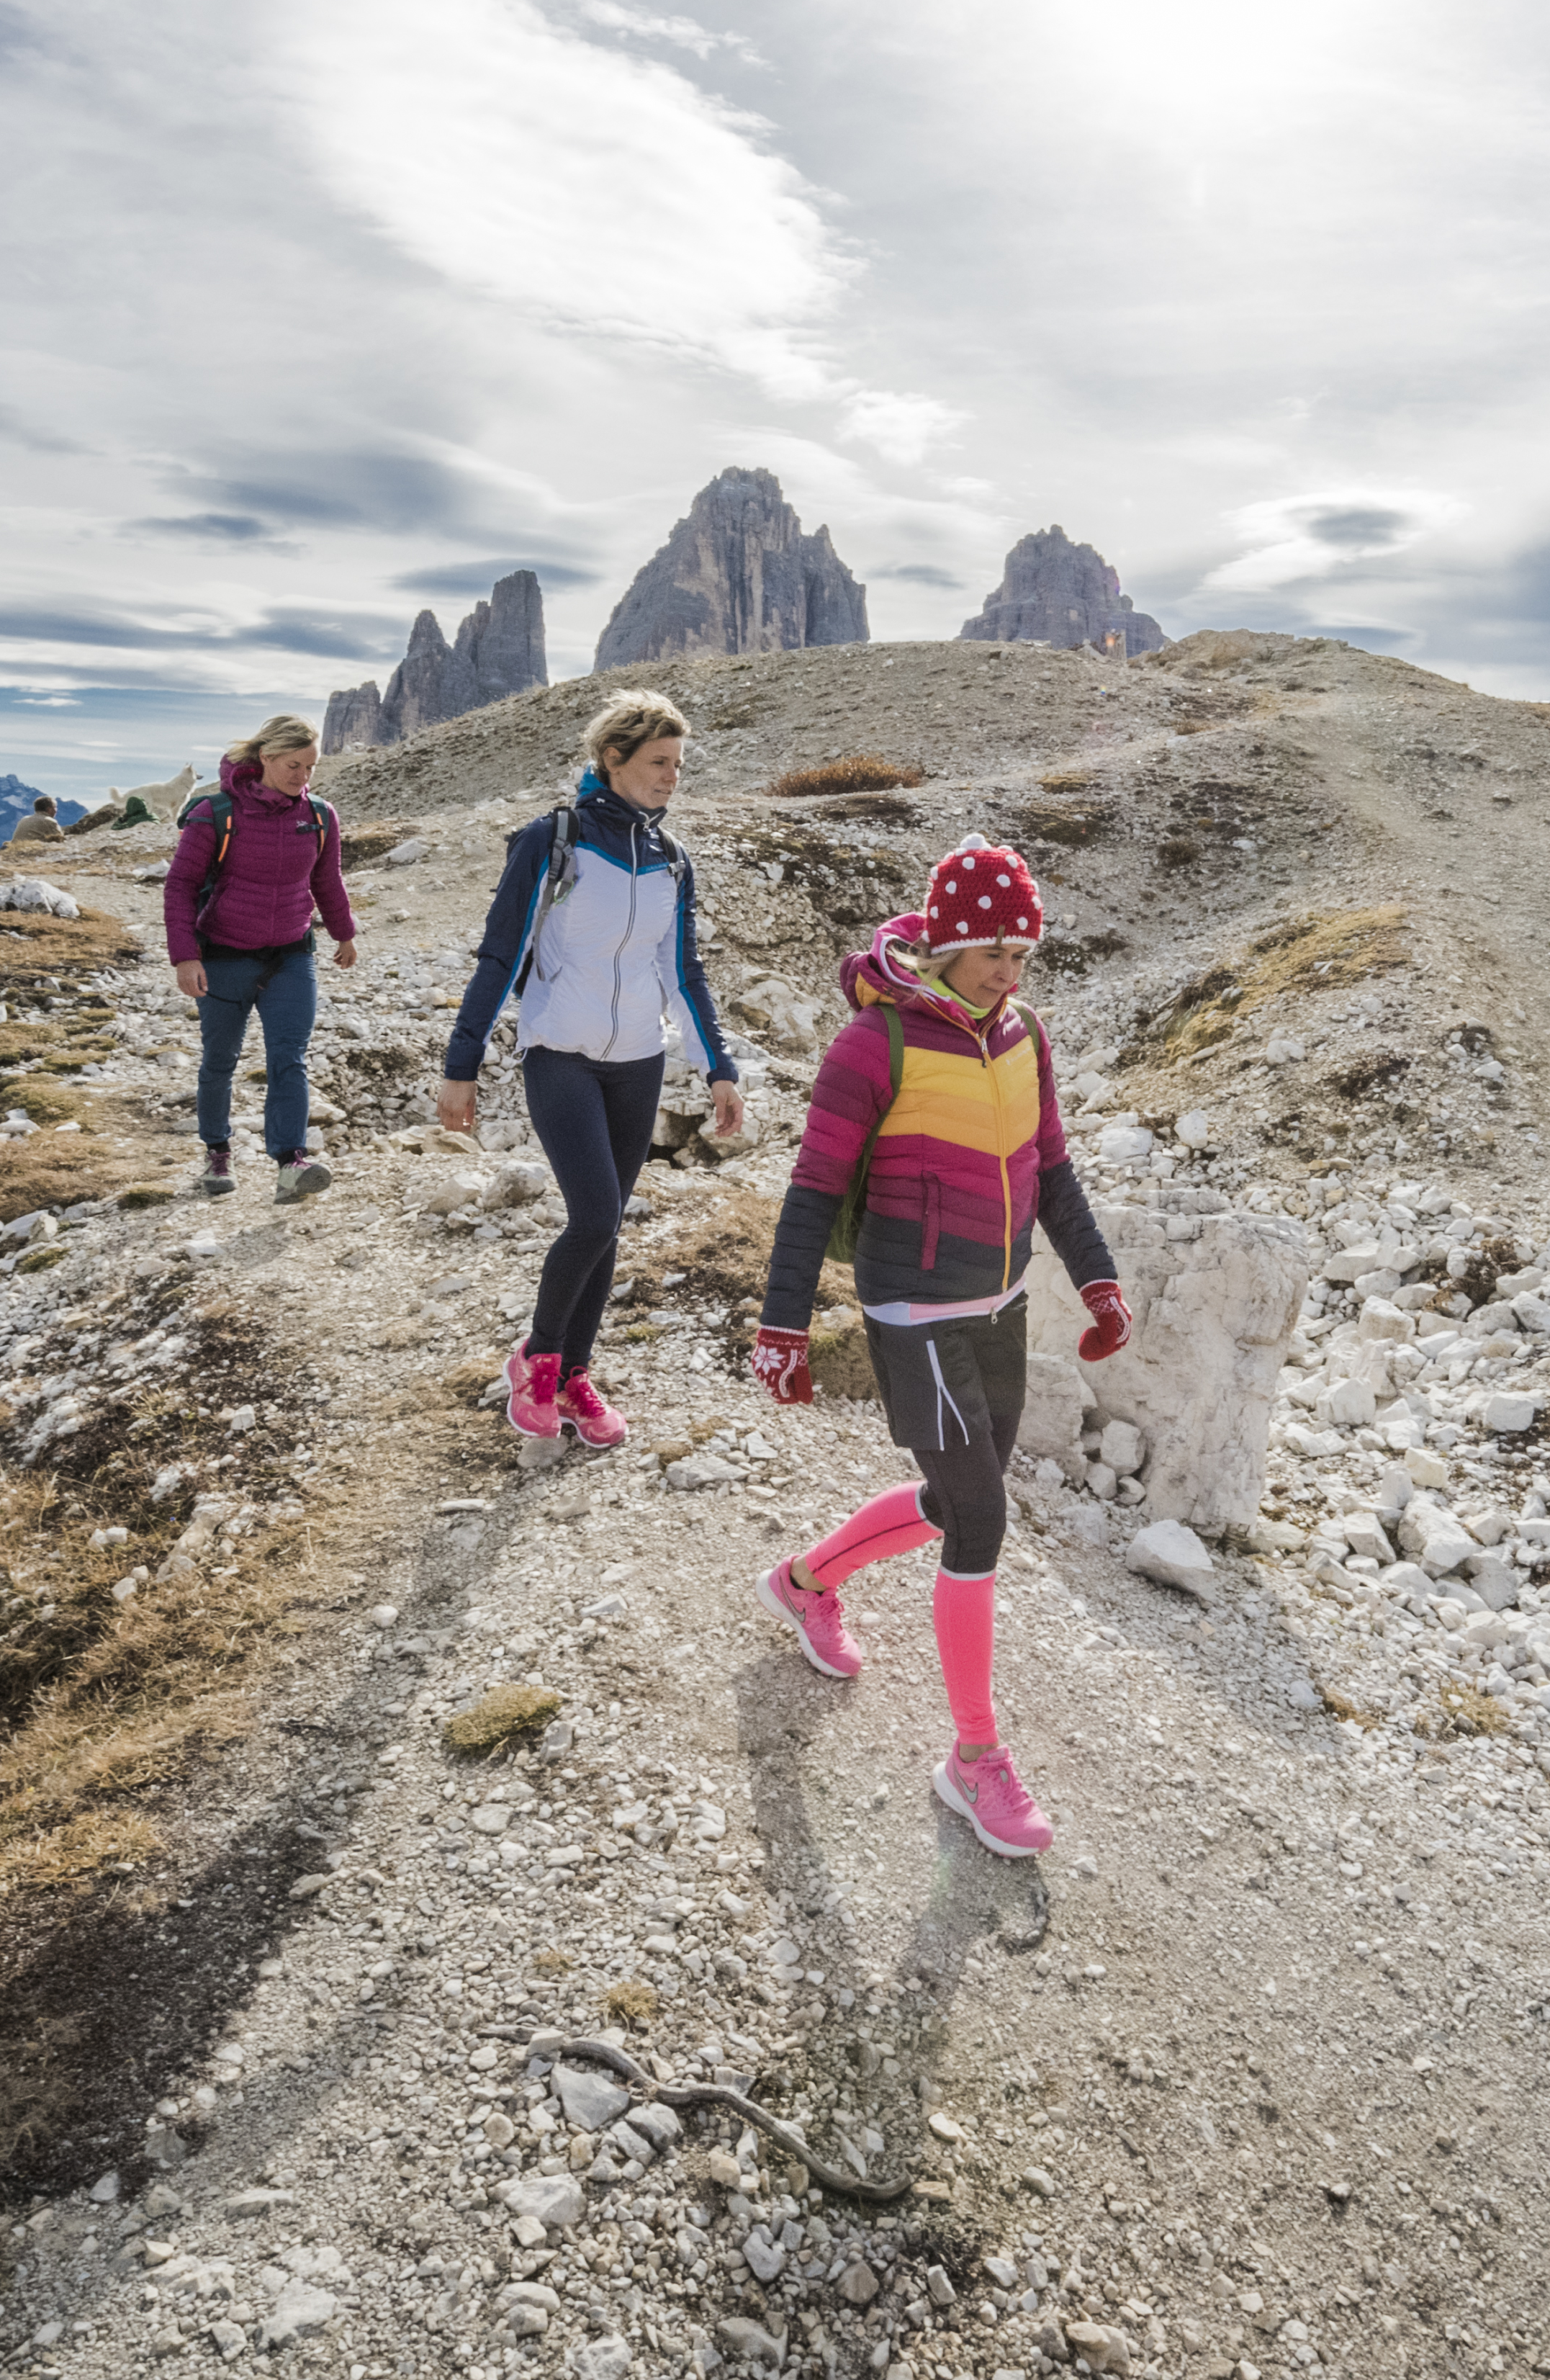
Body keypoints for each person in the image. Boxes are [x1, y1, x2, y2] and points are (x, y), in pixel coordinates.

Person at [745, 840, 1130, 1859]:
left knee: (956, 1496)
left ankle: (805, 1582)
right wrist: (784, 1322)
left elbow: (1049, 1169)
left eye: (1024, 952)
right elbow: (813, 1189)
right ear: (949, 943)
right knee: (981, 1516)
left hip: (998, 1303)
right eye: (995, 951)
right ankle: (974, 1760)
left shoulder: (1024, 1036)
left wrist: (1098, 1279)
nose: (1012, 971)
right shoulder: (875, 1046)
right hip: (911, 1310)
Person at [440, 691, 746, 1449]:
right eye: (657, 762)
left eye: (678, 764)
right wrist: (462, 1063)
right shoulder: (553, 840)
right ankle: (538, 1357)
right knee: (595, 1215)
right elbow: (499, 956)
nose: (672, 777)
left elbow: (684, 973)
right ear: (613, 759)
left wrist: (719, 1070)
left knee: (606, 1228)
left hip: (637, 1060)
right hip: (559, 1052)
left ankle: (576, 1372)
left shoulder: (673, 861)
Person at [168, 712, 358, 1199]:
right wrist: (185, 957)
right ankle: (217, 1155)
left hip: (291, 957)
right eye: (294, 766)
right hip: (223, 958)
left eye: (310, 768)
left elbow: (327, 880)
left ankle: (291, 1162)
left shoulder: (319, 815)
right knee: (220, 1060)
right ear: (266, 759)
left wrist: (344, 933)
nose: (303, 777)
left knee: (289, 1059)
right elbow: (181, 887)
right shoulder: (215, 813)